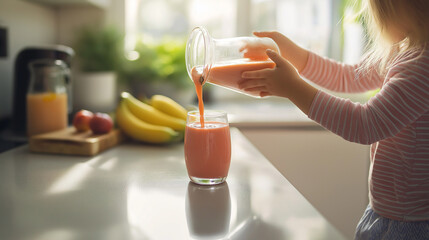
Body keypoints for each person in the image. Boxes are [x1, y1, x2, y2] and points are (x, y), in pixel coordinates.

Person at [238, 0, 429, 239]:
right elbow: (348, 77)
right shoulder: (406, 49)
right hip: (388, 214)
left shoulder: (421, 67)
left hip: (406, 225)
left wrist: (293, 88)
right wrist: (291, 52)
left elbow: (365, 124)